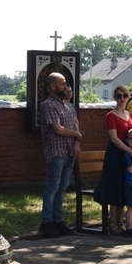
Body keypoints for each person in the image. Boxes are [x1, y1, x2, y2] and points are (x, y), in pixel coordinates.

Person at [39, 73, 82, 238]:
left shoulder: (68, 106)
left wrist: (77, 142)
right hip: (56, 152)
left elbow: (75, 127)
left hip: (69, 151)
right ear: (52, 86)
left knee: (63, 186)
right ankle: (47, 222)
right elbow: (58, 129)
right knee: (53, 187)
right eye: (63, 84)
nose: (66, 87)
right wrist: (77, 135)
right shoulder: (48, 105)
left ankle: (58, 220)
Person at [93, 85, 132, 234]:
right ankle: (113, 222)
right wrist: (131, 151)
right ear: (114, 98)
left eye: (124, 96)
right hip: (115, 155)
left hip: (127, 155)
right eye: (118, 96)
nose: (121, 99)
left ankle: (121, 221)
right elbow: (114, 138)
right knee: (115, 187)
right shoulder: (111, 116)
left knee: (124, 187)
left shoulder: (130, 115)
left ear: (128, 97)